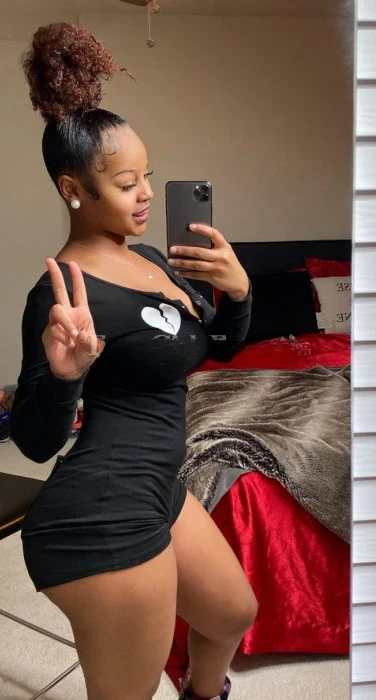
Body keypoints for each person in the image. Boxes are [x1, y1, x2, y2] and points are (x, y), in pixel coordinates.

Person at [10, 22, 257, 700]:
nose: (146, 192)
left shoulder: (148, 258)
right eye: (126, 182)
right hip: (102, 511)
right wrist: (66, 378)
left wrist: (238, 295)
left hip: (155, 487)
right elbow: (33, 441)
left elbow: (216, 347)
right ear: (73, 189)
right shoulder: (60, 293)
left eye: (147, 174)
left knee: (232, 613)